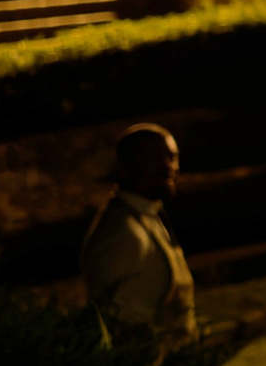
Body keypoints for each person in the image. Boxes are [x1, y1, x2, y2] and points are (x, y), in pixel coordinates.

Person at [80, 123, 198, 351]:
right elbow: (122, 333)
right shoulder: (123, 233)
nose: (168, 167)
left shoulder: (146, 215)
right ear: (124, 168)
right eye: (153, 158)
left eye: (172, 157)